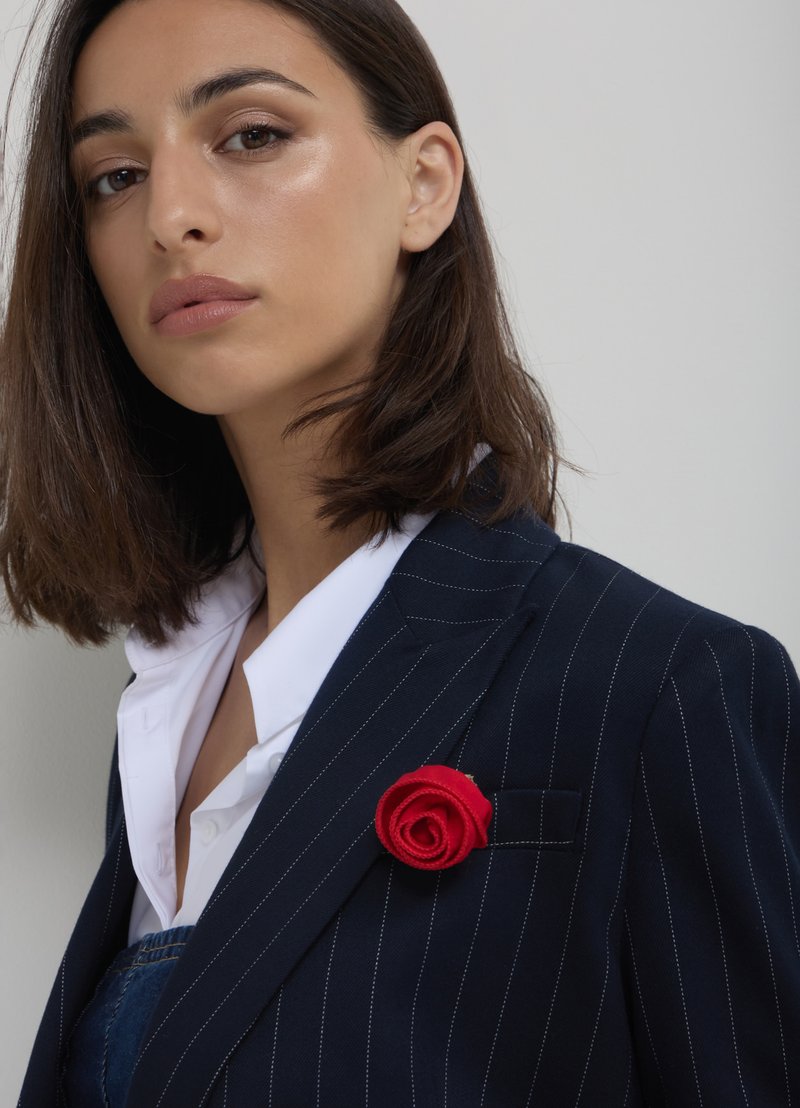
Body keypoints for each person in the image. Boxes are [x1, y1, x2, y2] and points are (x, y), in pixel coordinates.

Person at [2, 0, 797, 1104]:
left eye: (251, 134)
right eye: (115, 176)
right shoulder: (170, 704)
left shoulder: (660, 688)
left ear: (423, 183)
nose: (170, 216)